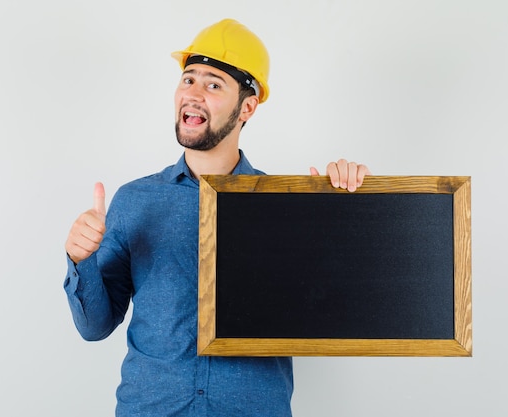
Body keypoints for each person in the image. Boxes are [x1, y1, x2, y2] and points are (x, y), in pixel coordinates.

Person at [64, 18, 371, 417]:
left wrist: (345, 214)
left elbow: (333, 309)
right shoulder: (135, 200)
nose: (193, 94)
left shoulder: (285, 206)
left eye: (213, 85)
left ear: (247, 107)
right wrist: (80, 259)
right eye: (188, 79)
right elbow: (94, 327)